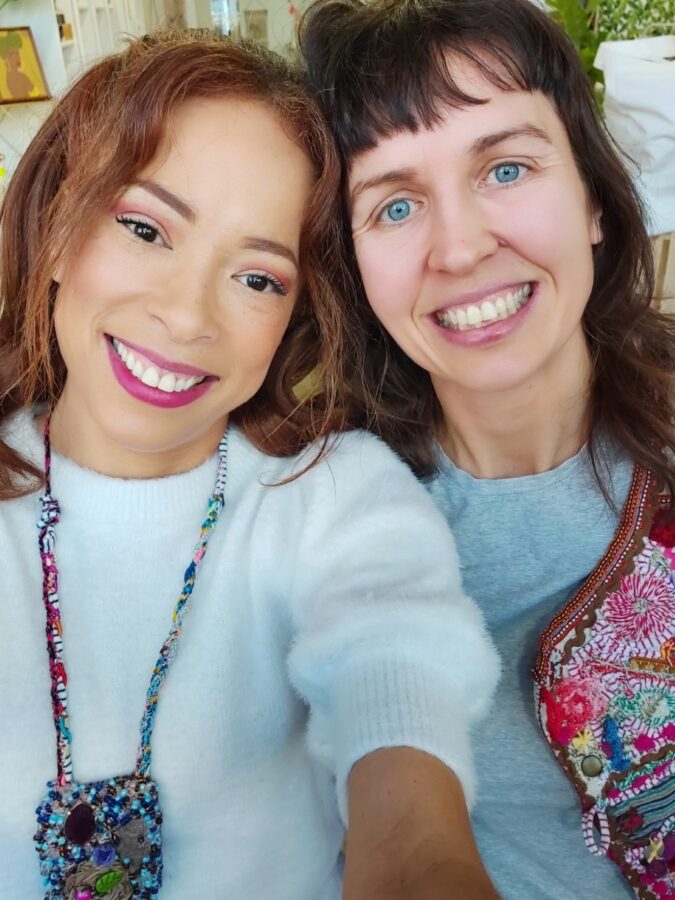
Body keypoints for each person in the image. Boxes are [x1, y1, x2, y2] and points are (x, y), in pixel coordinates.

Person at [0, 31, 500, 900]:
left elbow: (397, 701)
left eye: (259, 278)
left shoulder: (336, 499)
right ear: (55, 230)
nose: (187, 316)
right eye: (145, 229)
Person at [299, 0, 675, 896]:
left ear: (591, 197)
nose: (461, 248)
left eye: (505, 167)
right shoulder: (315, 520)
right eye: (394, 205)